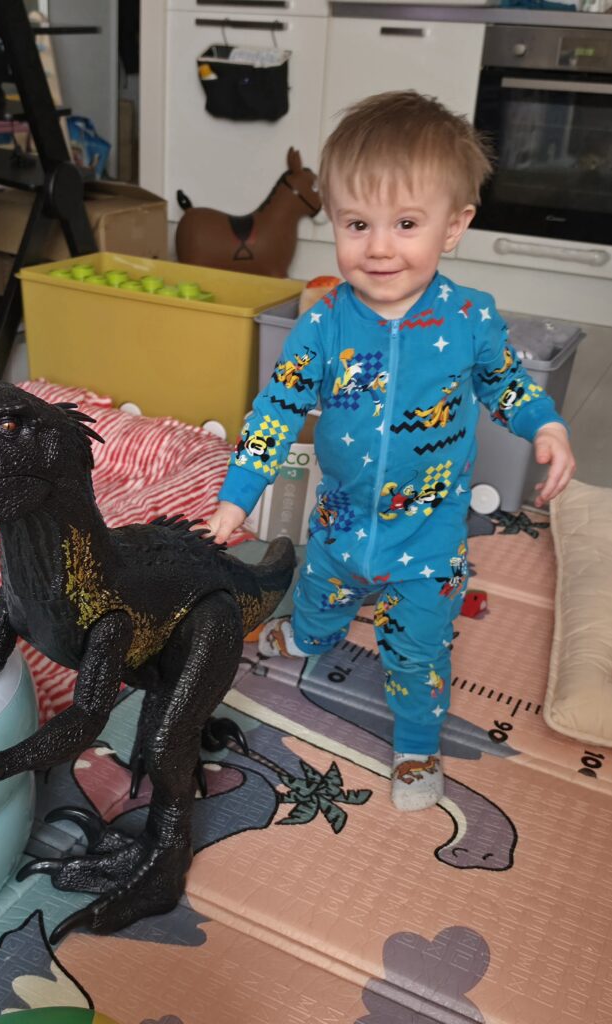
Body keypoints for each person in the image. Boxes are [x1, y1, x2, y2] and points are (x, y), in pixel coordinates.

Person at [205, 90, 576, 812]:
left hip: (427, 542)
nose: (378, 247)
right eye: (357, 224)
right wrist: (236, 496)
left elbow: (507, 385)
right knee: (318, 598)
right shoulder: (321, 325)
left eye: (405, 224)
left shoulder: (469, 318)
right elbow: (275, 411)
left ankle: (416, 745)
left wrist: (547, 427)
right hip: (339, 524)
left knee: (417, 652)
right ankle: (307, 637)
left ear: (453, 226)